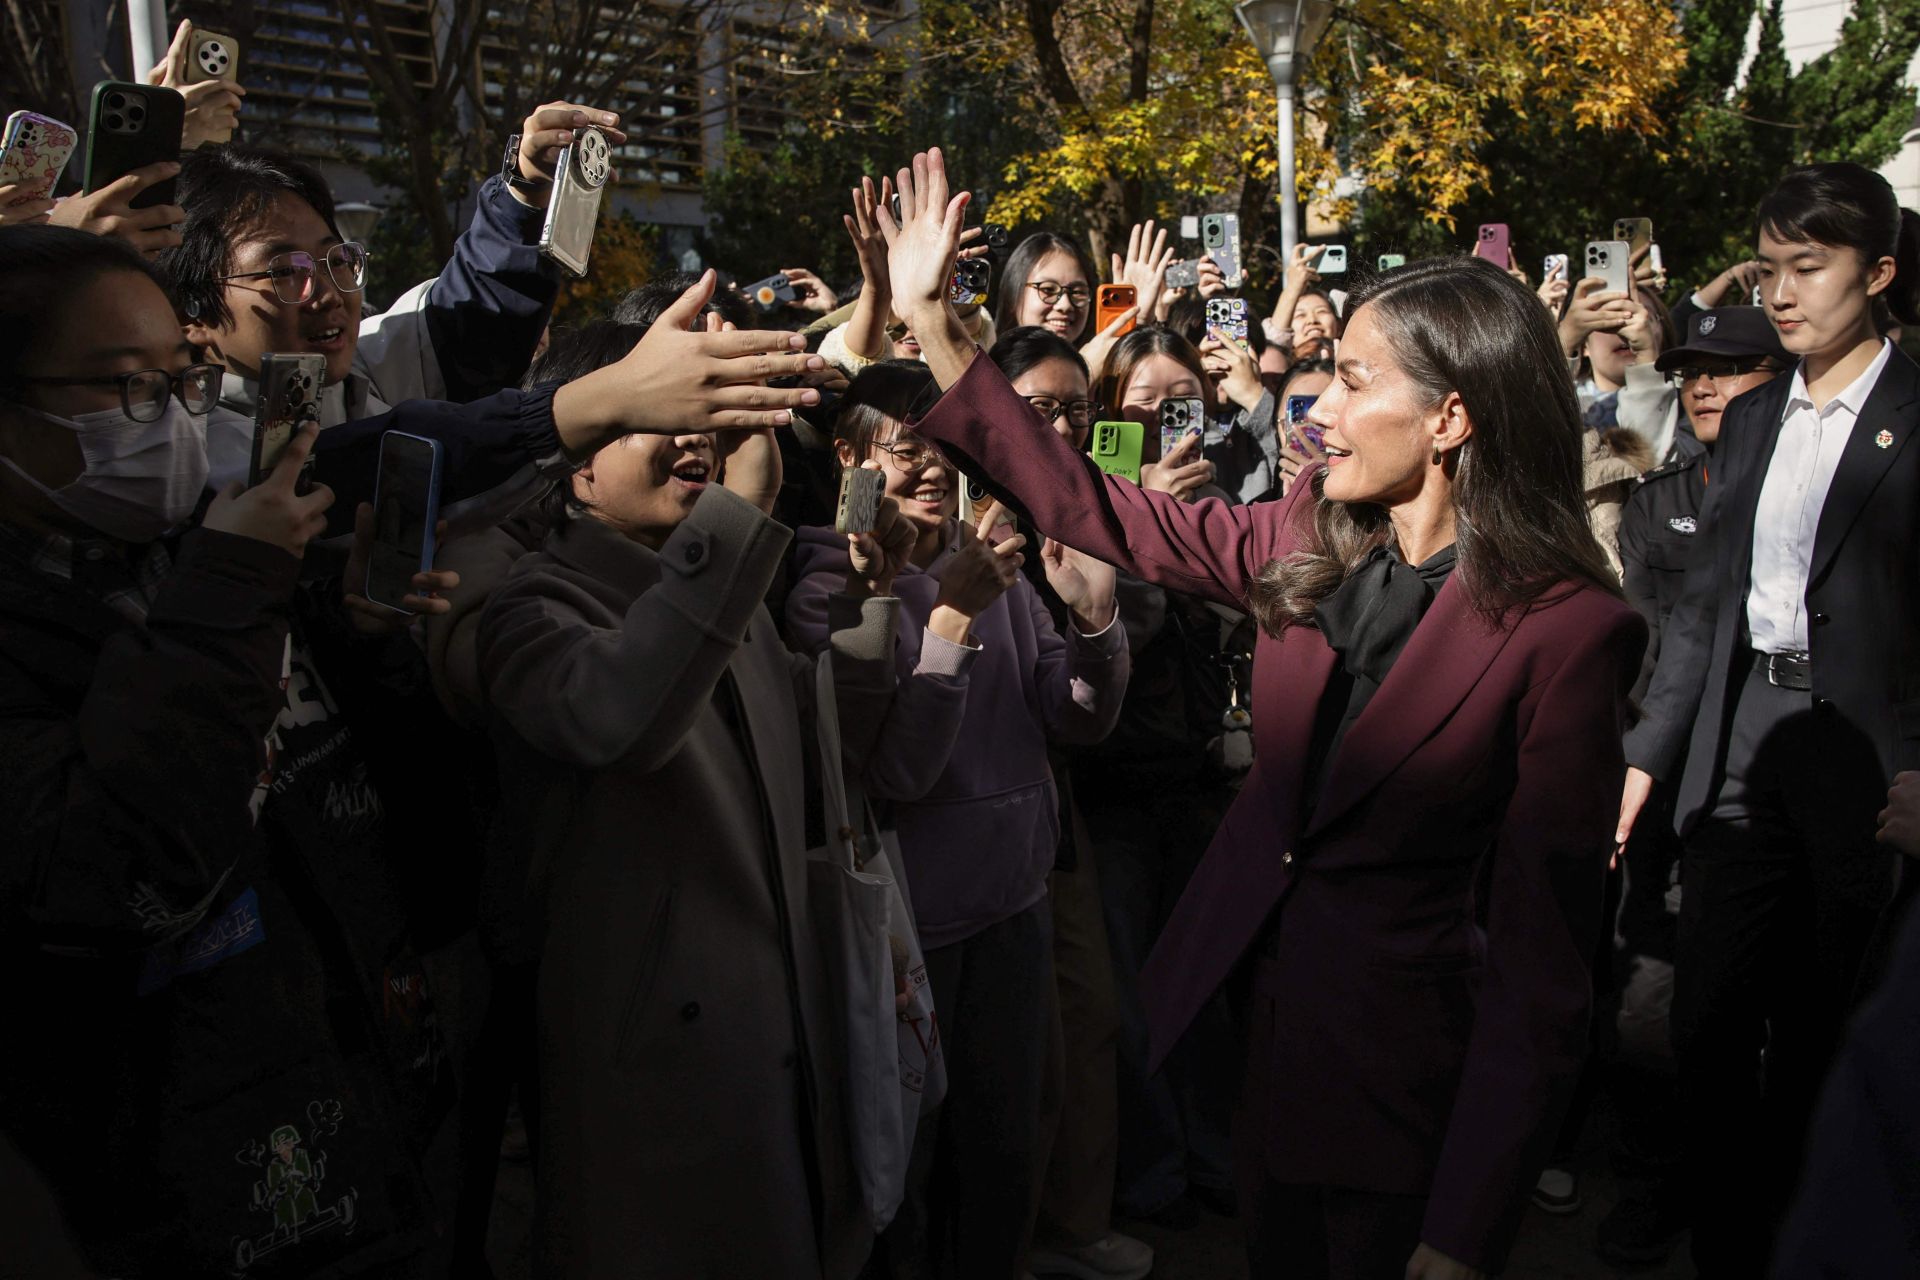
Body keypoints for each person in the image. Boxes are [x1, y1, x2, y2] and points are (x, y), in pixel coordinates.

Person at [877, 147, 1643, 1279]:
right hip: (1265, 1043)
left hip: (1404, 1091)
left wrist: (1467, 1223)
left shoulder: (1568, 630)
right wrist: (935, 326)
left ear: (1451, 419)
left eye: (1353, 379)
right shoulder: (1304, 537)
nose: (1317, 408)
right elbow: (1094, 502)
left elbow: (1544, 968)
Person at [475, 312, 921, 1279]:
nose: (694, 439)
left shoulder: (732, 582)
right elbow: (618, 720)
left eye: (706, 416)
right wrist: (734, 531)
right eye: (660, 416)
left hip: (777, 1043)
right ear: (575, 464)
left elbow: (821, 763)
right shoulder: (532, 608)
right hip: (657, 1081)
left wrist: (870, 599)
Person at [1616, 161, 1920, 1278]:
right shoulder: (1745, 426)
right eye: (1772, 267)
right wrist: (1648, 759)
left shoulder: (1913, 418)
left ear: (1878, 271)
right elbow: (1703, 614)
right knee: (1704, 1022)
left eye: (1811, 266)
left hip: (1868, 763)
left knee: (1820, 1034)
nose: (1782, 293)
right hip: (1743, 743)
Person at [786, 358, 1130, 1279]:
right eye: (906, 450)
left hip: (1016, 903)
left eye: (944, 448)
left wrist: (1096, 626)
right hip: (910, 929)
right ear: (852, 463)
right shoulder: (828, 590)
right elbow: (897, 770)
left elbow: (1075, 718)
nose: (933, 469)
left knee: (1009, 1147)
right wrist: (950, 619)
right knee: (914, 1163)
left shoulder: (1001, 571)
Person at [1596, 305, 1792, 1267]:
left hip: (1776, 782)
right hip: (1663, 780)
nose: (1705, 383)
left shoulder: (1809, 485)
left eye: (1731, 365)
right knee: (1653, 1008)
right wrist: (1632, 766)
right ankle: (1655, 1185)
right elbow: (1651, 641)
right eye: (1689, 369)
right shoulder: (1656, 496)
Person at [158, 103, 623, 486]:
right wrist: (588, 406)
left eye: (336, 260)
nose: (327, 295)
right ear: (191, 312)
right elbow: (401, 452)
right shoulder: (178, 458)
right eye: (286, 271)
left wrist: (525, 188)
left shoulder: (368, 370)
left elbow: (473, 314)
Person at [986, 326, 1155, 1280]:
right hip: (957, 832)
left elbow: (1086, 698)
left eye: (1074, 411)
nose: (1057, 427)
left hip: (1065, 813)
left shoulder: (1097, 506)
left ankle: (1074, 1225)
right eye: (1035, 408)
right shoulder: (953, 510)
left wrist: (1101, 609)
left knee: (1085, 1023)